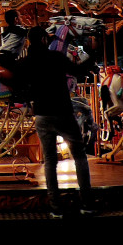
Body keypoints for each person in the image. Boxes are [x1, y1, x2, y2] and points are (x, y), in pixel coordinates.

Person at [23, 26, 96, 218]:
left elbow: (22, 85)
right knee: (79, 156)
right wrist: (92, 52)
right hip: (63, 112)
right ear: (44, 40)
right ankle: (87, 203)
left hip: (42, 115)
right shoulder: (55, 58)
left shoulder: (27, 62)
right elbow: (79, 69)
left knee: (49, 161)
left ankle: (55, 207)